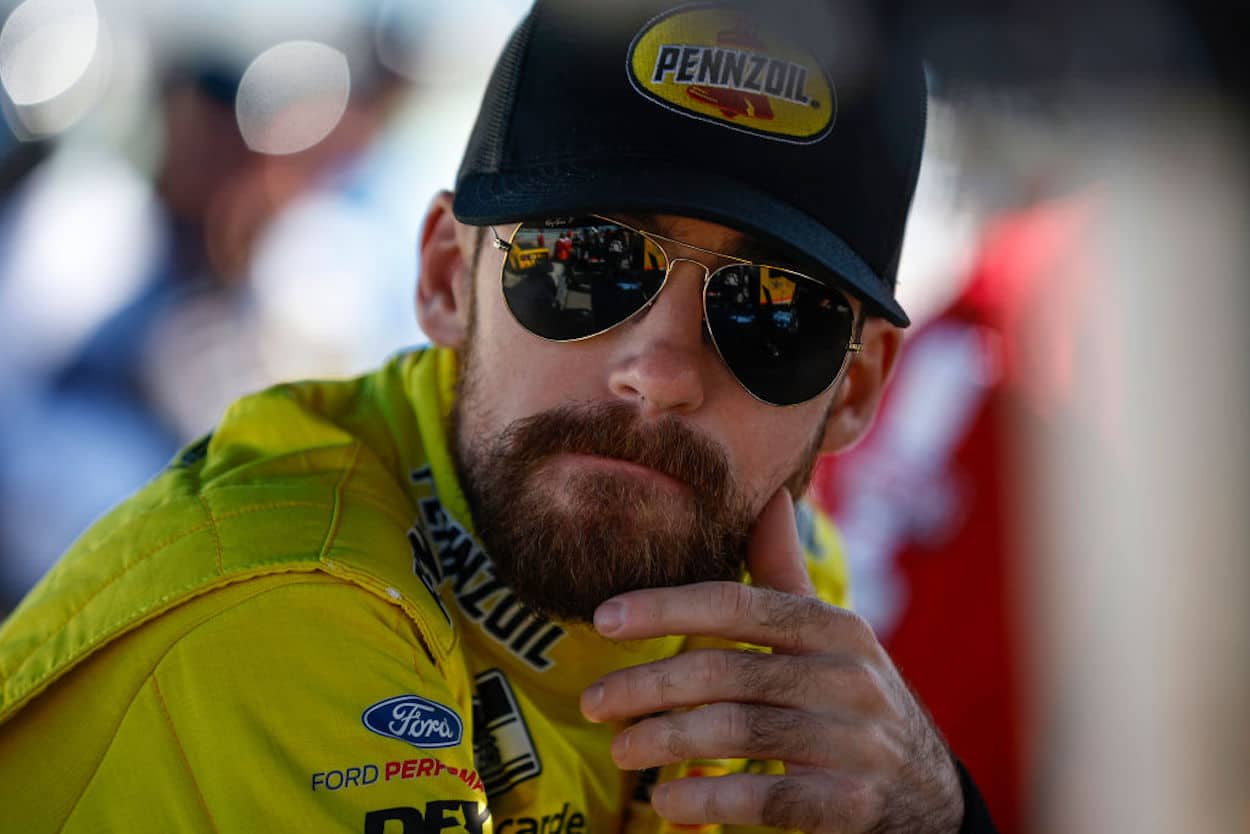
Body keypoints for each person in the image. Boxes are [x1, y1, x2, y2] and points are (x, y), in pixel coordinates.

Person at [0, 1, 998, 832]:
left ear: (854, 392)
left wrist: (935, 812)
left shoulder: (780, 589)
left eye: (772, 314)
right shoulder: (280, 618)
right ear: (445, 278)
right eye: (584, 262)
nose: (657, 372)